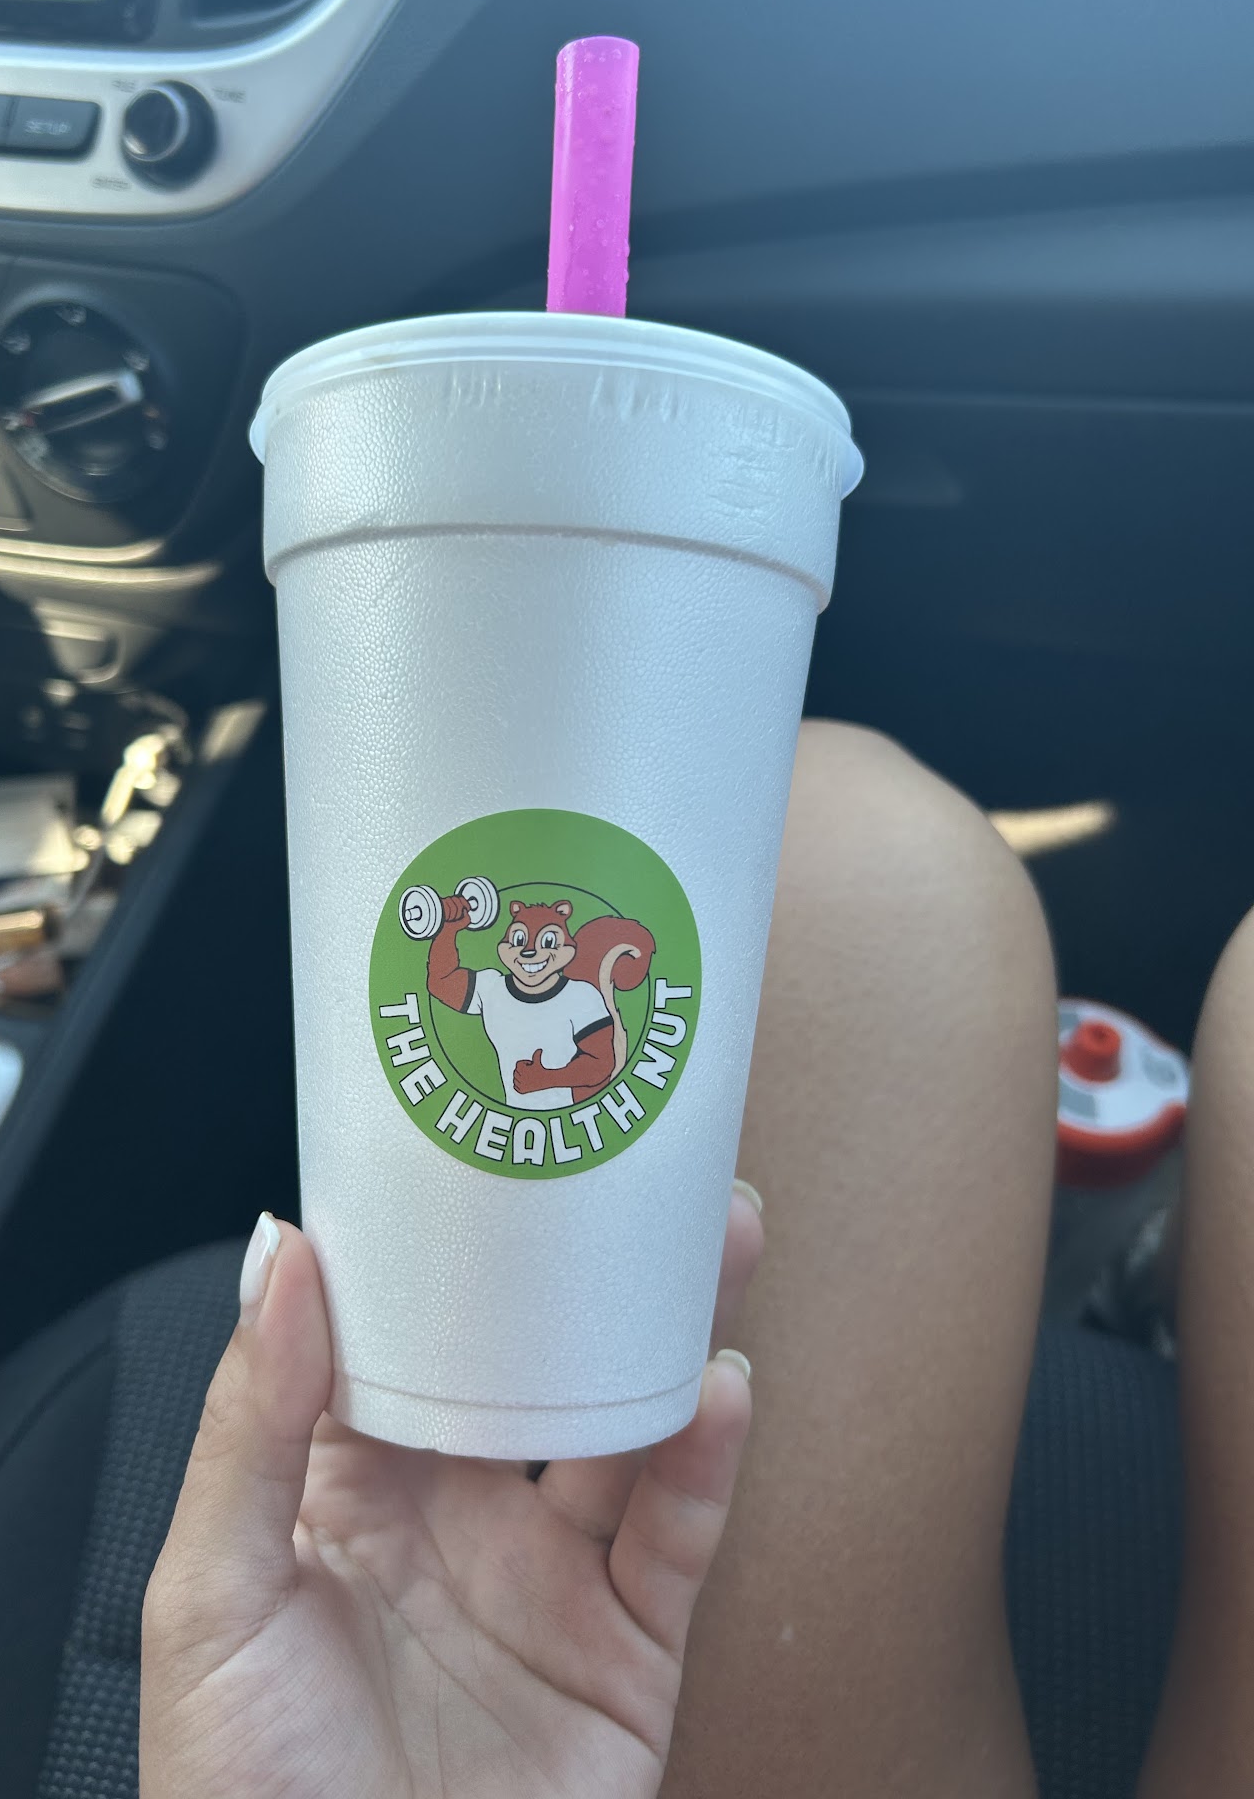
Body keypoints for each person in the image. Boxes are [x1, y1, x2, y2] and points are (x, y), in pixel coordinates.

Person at [140, 721, 1253, 1798]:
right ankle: (1158, 1278)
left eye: (543, 942)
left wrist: (549, 1072)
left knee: (844, 841)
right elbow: (444, 995)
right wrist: (449, 930)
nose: (529, 952)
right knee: (861, 848)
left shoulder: (589, 998)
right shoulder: (496, 982)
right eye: (517, 942)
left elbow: (599, 1055)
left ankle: (1156, 1275)